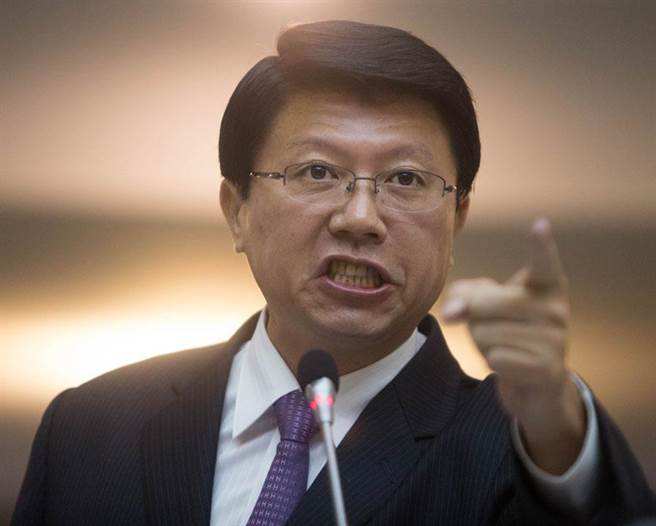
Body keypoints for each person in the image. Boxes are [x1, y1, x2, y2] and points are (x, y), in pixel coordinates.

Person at [12, 20, 655, 526]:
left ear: (457, 219)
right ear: (238, 211)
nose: (360, 218)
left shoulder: (521, 450)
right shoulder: (92, 429)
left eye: (407, 179)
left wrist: (557, 427)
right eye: (317, 172)